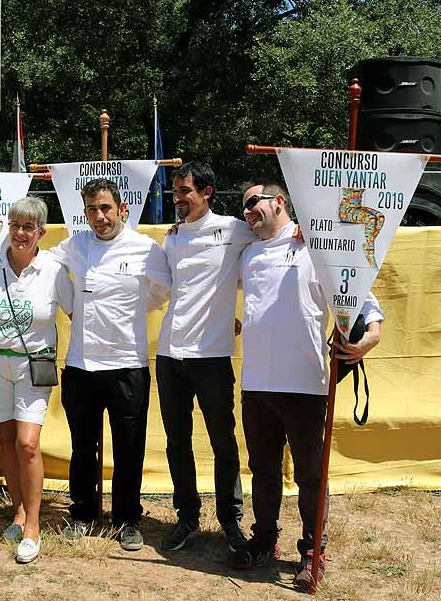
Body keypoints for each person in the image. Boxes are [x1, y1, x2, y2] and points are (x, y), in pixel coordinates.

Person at [232, 180, 384, 591]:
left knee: (310, 476)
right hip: (257, 384)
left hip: (305, 384)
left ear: (279, 201)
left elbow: (361, 297)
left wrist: (370, 335)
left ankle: (313, 550)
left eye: (253, 203)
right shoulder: (246, 253)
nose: (247, 213)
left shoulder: (318, 244)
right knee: (262, 471)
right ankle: (264, 540)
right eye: (243, 208)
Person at [46, 178, 171, 552]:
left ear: (122, 210)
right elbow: (46, 267)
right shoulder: (76, 245)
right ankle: (83, 514)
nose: (99, 217)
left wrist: (134, 310)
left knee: (129, 447)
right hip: (82, 366)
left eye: (105, 208)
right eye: (91, 210)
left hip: (127, 365)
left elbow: (162, 289)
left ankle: (128, 519)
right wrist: (70, 306)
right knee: (84, 447)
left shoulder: (146, 248)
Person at [157, 162, 256, 552]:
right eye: (175, 192)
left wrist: (298, 230)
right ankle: (187, 517)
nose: (178, 199)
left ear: (207, 192)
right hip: (169, 354)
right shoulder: (173, 238)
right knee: (176, 441)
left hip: (212, 356)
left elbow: (272, 241)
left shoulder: (235, 229)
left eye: (185, 192)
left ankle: (231, 522)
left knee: (222, 441)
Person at [0, 197, 73, 564]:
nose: (20, 233)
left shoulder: (52, 269)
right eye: (15, 225)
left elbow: (75, 312)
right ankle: (18, 512)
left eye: (28, 227)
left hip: (34, 366)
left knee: (28, 444)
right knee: (5, 440)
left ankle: (33, 525)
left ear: (41, 232)